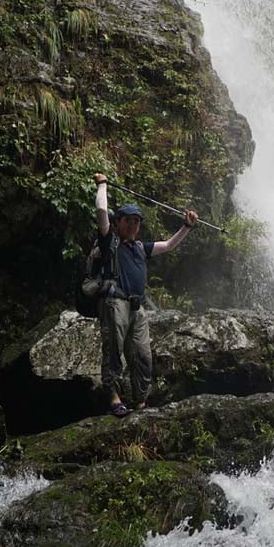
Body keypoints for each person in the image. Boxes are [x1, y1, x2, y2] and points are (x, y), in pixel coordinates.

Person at [93, 173, 198, 417]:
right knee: (113, 352)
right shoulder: (110, 242)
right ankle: (114, 398)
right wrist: (102, 185)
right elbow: (101, 211)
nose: (133, 225)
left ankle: (140, 401)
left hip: (137, 308)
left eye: (137, 222)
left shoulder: (141, 248)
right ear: (118, 223)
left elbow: (169, 245)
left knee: (142, 355)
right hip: (114, 303)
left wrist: (187, 226)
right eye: (128, 221)